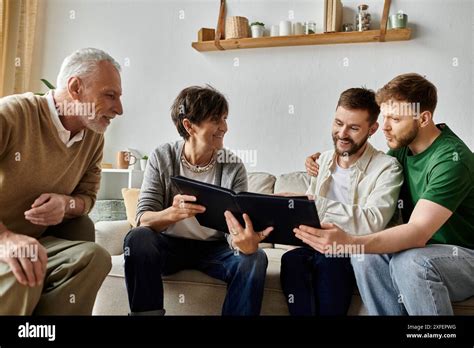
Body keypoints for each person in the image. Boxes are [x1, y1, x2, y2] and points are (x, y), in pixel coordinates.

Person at [302, 73, 474, 315]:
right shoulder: (402, 151)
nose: (384, 126)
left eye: (395, 118)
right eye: (385, 117)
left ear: (423, 119)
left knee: (410, 262)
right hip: (423, 250)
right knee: (365, 257)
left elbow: (417, 232)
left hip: (464, 255)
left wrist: (349, 242)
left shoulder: (451, 160)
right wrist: (323, 159)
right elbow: (367, 165)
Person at [123, 85, 273, 316]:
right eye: (216, 119)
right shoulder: (162, 157)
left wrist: (242, 243)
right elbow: (143, 218)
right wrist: (171, 214)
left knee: (254, 259)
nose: (224, 127)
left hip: (214, 249)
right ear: (188, 125)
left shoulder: (232, 166)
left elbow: (233, 230)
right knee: (137, 238)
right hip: (168, 246)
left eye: (224, 118)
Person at [0, 47, 123, 314]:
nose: (119, 109)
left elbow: (88, 198)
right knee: (26, 264)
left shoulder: (93, 138)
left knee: (95, 258)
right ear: (76, 87)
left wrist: (66, 205)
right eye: (110, 95)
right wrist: (6, 239)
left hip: (34, 241)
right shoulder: (11, 114)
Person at [279, 88, 403, 315]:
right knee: (291, 260)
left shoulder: (386, 167)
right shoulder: (323, 160)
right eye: (338, 123)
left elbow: (373, 220)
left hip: (352, 248)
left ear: (372, 129)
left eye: (354, 128)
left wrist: (313, 202)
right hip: (314, 246)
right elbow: (308, 212)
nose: (342, 133)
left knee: (331, 261)